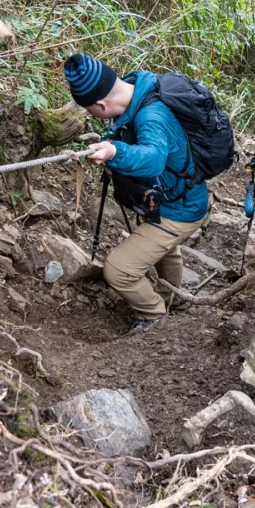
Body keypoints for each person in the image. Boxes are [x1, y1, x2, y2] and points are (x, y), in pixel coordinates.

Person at [65, 53, 209, 333]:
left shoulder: (151, 115)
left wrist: (115, 151)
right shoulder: (138, 90)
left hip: (180, 209)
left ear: (101, 104)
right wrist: (111, 144)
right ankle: (171, 298)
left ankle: (154, 315)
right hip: (175, 198)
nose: (91, 115)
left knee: (118, 269)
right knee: (167, 251)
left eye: (90, 110)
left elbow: (154, 157)